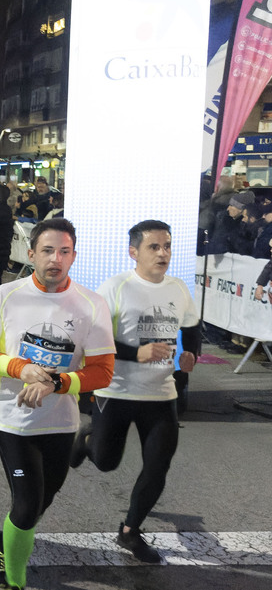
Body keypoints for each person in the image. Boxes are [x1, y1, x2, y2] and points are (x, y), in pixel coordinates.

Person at [0, 218, 115, 590]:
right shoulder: (7, 295)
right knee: (28, 504)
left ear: (73, 255)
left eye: (65, 251)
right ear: (30, 253)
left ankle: (3, 543)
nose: (56, 259)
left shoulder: (90, 304)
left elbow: (103, 370)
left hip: (60, 423)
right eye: (48, 251)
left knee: (37, 506)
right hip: (12, 421)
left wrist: (58, 382)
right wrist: (20, 367)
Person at [68, 220, 201, 564]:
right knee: (107, 463)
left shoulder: (178, 288)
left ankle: (130, 531)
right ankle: (85, 440)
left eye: (167, 246)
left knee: (158, 466)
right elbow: (94, 343)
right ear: (133, 252)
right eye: (154, 247)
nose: (163, 254)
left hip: (161, 394)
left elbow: (192, 326)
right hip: (117, 389)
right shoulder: (115, 287)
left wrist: (191, 355)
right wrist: (135, 353)